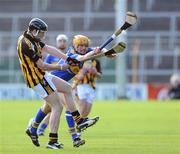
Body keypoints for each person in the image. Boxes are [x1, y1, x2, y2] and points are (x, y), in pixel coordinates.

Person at [17, 18, 101, 149]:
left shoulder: (32, 38)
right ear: (34, 31)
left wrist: (66, 58)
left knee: (67, 88)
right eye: (42, 33)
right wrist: (62, 67)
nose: (43, 36)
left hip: (42, 75)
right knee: (57, 106)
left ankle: (78, 120)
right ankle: (52, 141)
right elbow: (43, 66)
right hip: (37, 79)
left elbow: (49, 49)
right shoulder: (26, 45)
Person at [31, 35, 116, 148]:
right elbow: (81, 58)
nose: (82, 48)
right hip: (52, 81)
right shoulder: (71, 53)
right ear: (75, 46)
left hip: (60, 83)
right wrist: (93, 53)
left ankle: (33, 128)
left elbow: (99, 49)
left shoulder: (85, 50)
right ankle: (75, 136)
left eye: (85, 46)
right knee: (67, 104)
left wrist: (106, 51)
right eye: (80, 46)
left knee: (47, 108)